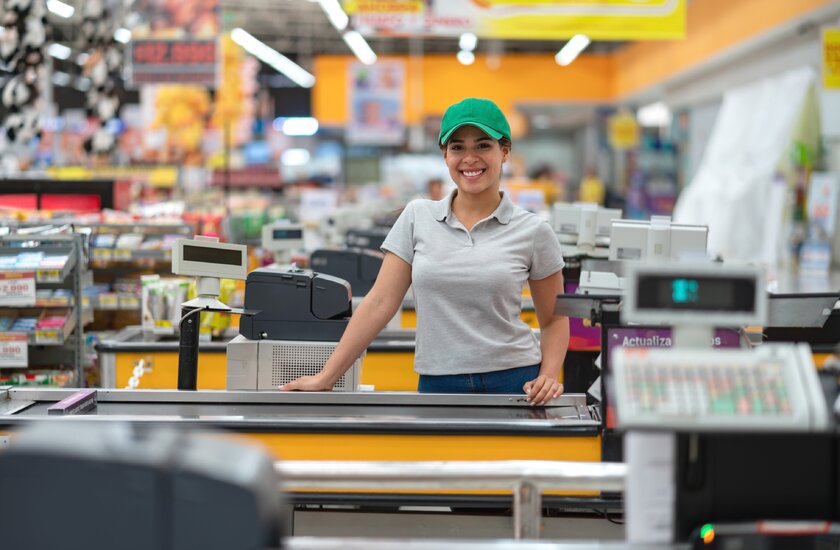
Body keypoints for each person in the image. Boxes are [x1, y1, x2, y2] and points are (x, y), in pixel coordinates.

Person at [280, 98, 569, 405]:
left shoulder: (534, 231)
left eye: (483, 145)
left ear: (505, 152)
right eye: (457, 147)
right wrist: (326, 377)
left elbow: (553, 319)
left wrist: (549, 374)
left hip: (515, 381)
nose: (470, 158)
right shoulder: (417, 217)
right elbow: (379, 302)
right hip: (438, 382)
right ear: (445, 155)